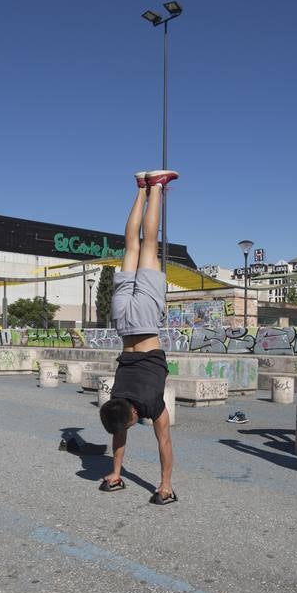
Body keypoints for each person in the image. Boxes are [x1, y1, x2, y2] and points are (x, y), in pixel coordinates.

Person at [97, 170, 177, 505]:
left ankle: (155, 187)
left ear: (132, 417)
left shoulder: (147, 403)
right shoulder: (115, 398)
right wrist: (115, 473)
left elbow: (164, 440)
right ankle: (141, 188)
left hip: (144, 322)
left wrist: (165, 485)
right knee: (131, 246)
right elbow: (119, 430)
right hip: (124, 322)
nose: (128, 427)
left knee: (149, 245)